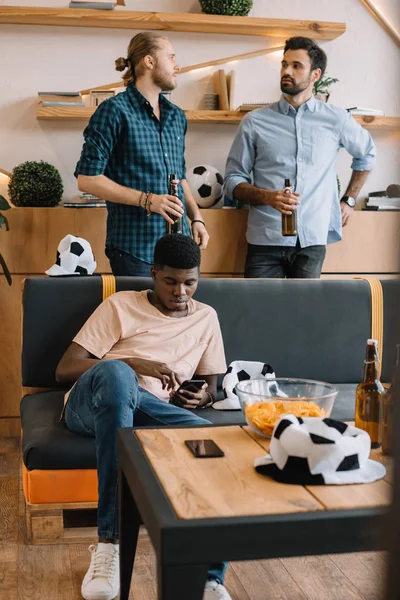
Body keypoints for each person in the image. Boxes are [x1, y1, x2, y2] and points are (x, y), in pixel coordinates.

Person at [56, 234, 231, 600]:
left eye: (190, 282)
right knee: (120, 377)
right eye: (170, 281)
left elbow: (212, 385)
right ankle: (109, 544)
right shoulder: (121, 305)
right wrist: (132, 362)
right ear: (153, 274)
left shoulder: (206, 317)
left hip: (150, 409)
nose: (181, 291)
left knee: (210, 443)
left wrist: (202, 395)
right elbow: (66, 369)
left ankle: (210, 577)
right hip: (93, 403)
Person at [224, 36, 376, 279]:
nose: (287, 71)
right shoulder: (254, 121)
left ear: (315, 75)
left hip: (312, 240)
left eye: (296, 66)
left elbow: (367, 155)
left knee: (305, 317)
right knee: (258, 315)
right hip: (265, 239)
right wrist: (268, 197)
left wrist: (348, 200)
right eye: (284, 64)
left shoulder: (336, 119)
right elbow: (232, 180)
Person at [75, 32, 209, 277]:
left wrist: (197, 218)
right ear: (149, 61)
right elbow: (87, 179)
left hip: (180, 248)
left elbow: (180, 177)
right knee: (140, 317)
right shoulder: (114, 111)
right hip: (134, 250)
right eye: (170, 57)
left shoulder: (177, 116)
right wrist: (148, 200)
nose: (177, 65)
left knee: (184, 316)